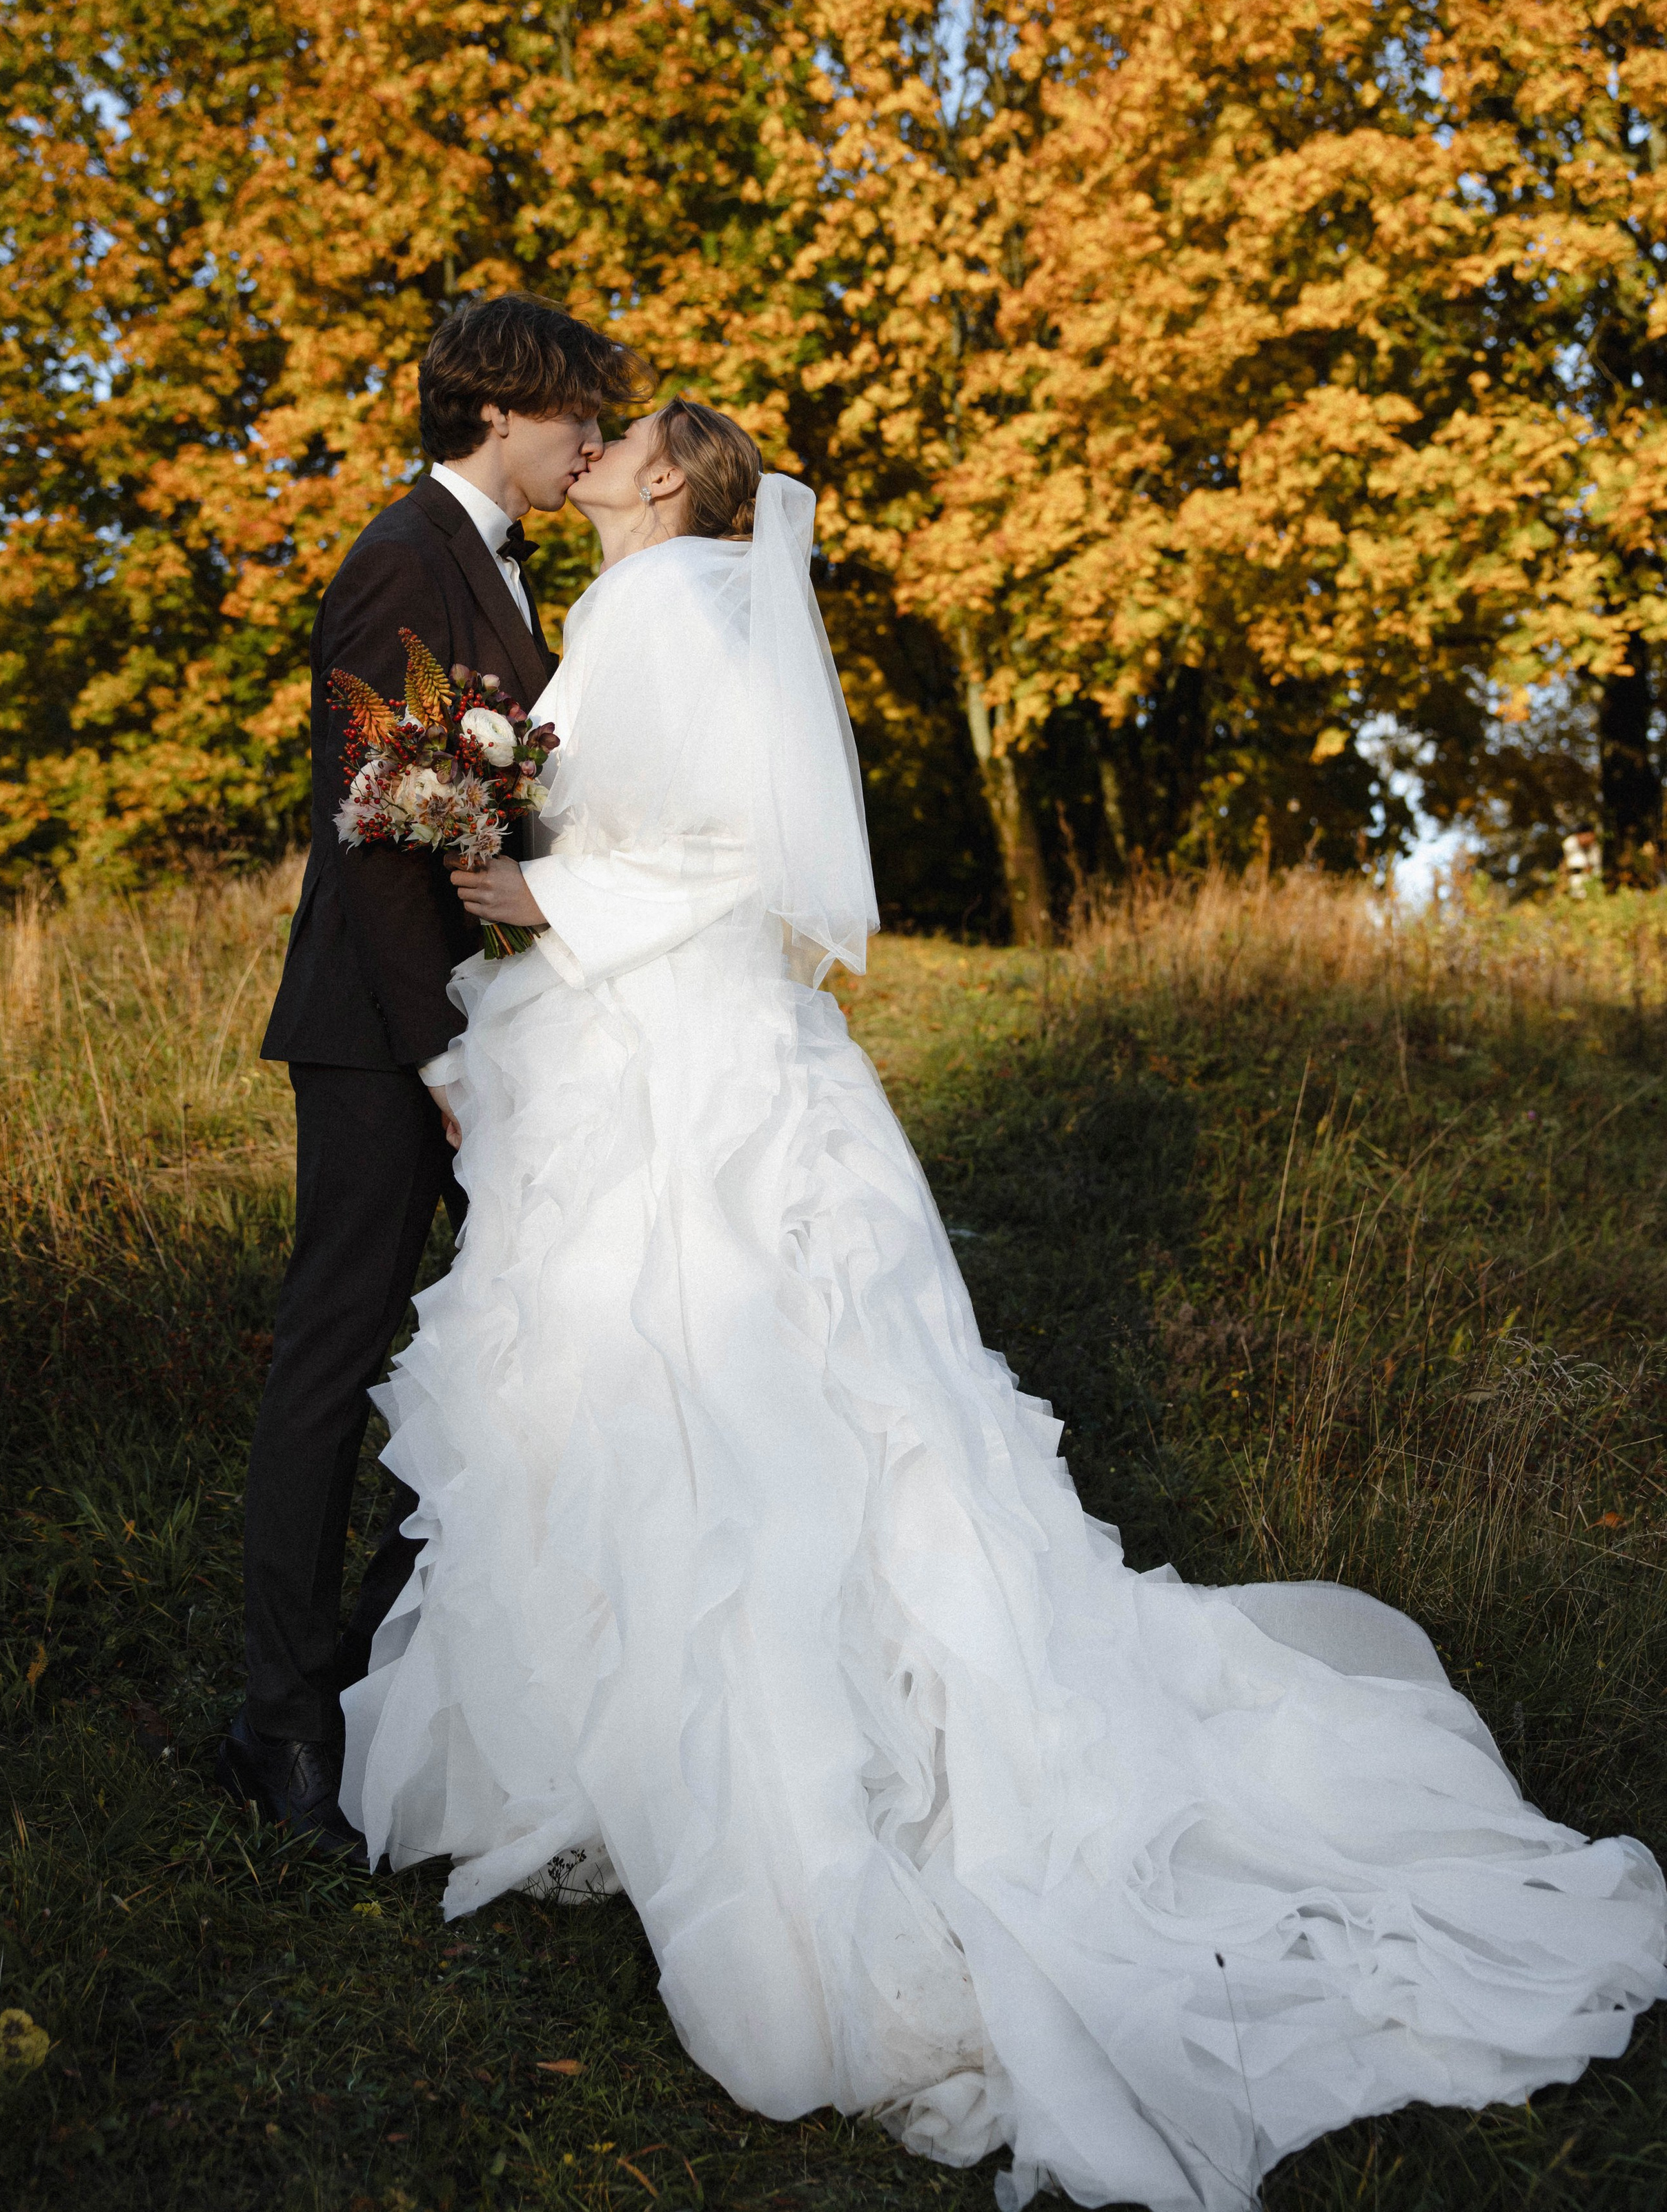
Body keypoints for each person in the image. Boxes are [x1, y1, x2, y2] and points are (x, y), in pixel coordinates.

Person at [340, 399, 1665, 2211]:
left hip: (674, 1059)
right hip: (729, 1043)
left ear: (665, 481)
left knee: (675, 1374)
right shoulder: (704, 610)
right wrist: (509, 831)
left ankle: (705, 1761)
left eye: (621, 441)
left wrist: (528, 883)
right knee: (791, 1394)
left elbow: (718, 860)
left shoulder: (657, 610)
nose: (590, 458)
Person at [219, 292, 651, 1860]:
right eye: (574, 418)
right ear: (498, 410)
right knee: (332, 1359)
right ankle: (278, 1718)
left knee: (488, 1345)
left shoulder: (493, 560)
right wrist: (443, 1054)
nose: (591, 442)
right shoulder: (403, 553)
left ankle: (381, 1666)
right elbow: (378, 831)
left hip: (483, 1027)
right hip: (382, 1032)